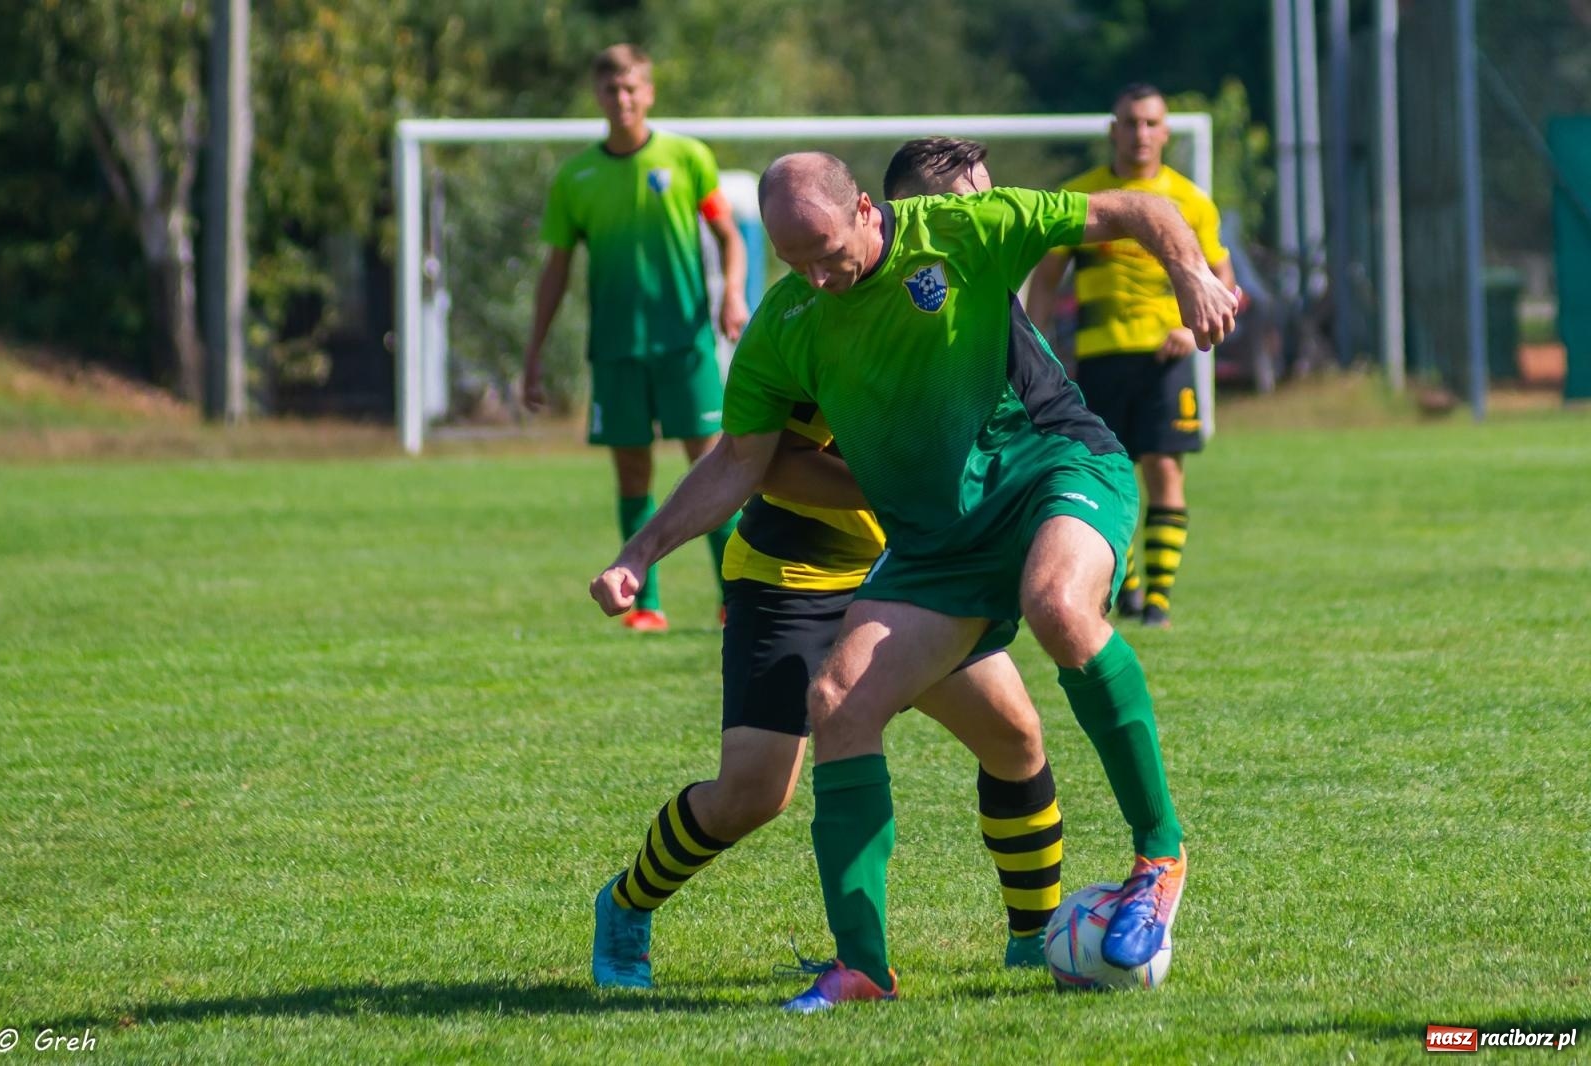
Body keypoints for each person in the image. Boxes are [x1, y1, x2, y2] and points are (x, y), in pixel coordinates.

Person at [590, 151, 1237, 1011]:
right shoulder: (788, 324)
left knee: (1053, 616)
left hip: (1046, 471)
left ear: (865, 208)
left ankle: (1153, 859)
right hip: (880, 554)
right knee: (832, 709)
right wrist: (641, 552)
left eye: (827, 251)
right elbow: (746, 462)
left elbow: (1130, 209)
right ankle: (861, 966)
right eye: (796, 264)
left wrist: (1190, 272)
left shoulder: (962, 231)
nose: (819, 278)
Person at [524, 44, 749, 633]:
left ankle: (736, 597)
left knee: (713, 467)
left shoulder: (687, 157)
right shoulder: (576, 178)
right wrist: (533, 354)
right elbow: (555, 271)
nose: (621, 100)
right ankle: (643, 604)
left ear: (648, 92)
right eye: (609, 90)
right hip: (618, 348)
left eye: (631, 89)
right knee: (632, 477)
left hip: (685, 343)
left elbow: (730, 237)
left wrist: (732, 294)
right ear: (597, 96)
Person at [1025, 83, 1240, 629]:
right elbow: (1046, 281)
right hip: (1097, 358)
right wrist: (1040, 350)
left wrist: (1191, 333)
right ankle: (1127, 589)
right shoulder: (1082, 197)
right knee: (1106, 472)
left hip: (1165, 356)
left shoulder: (1190, 201)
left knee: (1164, 467)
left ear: (1165, 132)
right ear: (1112, 130)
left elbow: (1224, 283)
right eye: (1130, 122)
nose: (1140, 134)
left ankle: (1158, 605)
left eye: (1150, 123)